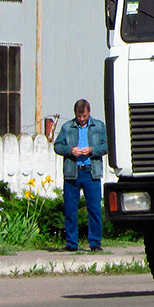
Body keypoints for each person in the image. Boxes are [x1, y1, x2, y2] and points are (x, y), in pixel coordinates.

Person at [53, 99, 108, 252]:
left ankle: (95, 243)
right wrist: (70, 150)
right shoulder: (66, 127)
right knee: (70, 209)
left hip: (91, 172)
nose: (82, 119)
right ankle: (71, 243)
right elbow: (57, 146)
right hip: (72, 173)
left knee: (94, 208)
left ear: (89, 113)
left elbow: (107, 146)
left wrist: (92, 150)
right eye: (79, 116)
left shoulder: (99, 126)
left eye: (84, 116)